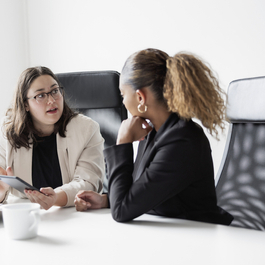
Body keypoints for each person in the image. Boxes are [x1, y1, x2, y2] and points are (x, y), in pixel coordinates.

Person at [74, 48, 233, 225]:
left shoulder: (183, 140)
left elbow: (121, 211)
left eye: (123, 95)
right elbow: (143, 193)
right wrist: (106, 200)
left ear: (140, 97)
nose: (123, 102)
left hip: (198, 238)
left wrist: (122, 143)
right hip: (172, 235)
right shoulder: (155, 131)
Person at [0, 66, 105, 210]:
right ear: (25, 104)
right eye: (41, 95)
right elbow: (2, 184)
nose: (51, 100)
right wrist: (1, 190)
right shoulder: (7, 132)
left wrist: (55, 198)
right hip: (25, 214)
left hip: (74, 214)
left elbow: (88, 182)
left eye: (55, 91)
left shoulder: (87, 129)